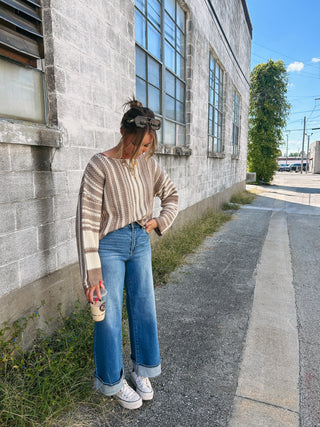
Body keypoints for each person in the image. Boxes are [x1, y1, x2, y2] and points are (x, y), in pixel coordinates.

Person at [76, 99, 179, 410]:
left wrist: (160, 220)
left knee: (144, 309)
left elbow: (171, 194)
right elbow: (87, 221)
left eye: (147, 145)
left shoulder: (148, 163)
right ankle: (113, 380)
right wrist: (91, 273)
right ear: (122, 132)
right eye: (137, 144)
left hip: (140, 241)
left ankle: (142, 370)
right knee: (106, 316)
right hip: (109, 245)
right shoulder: (99, 165)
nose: (141, 151)